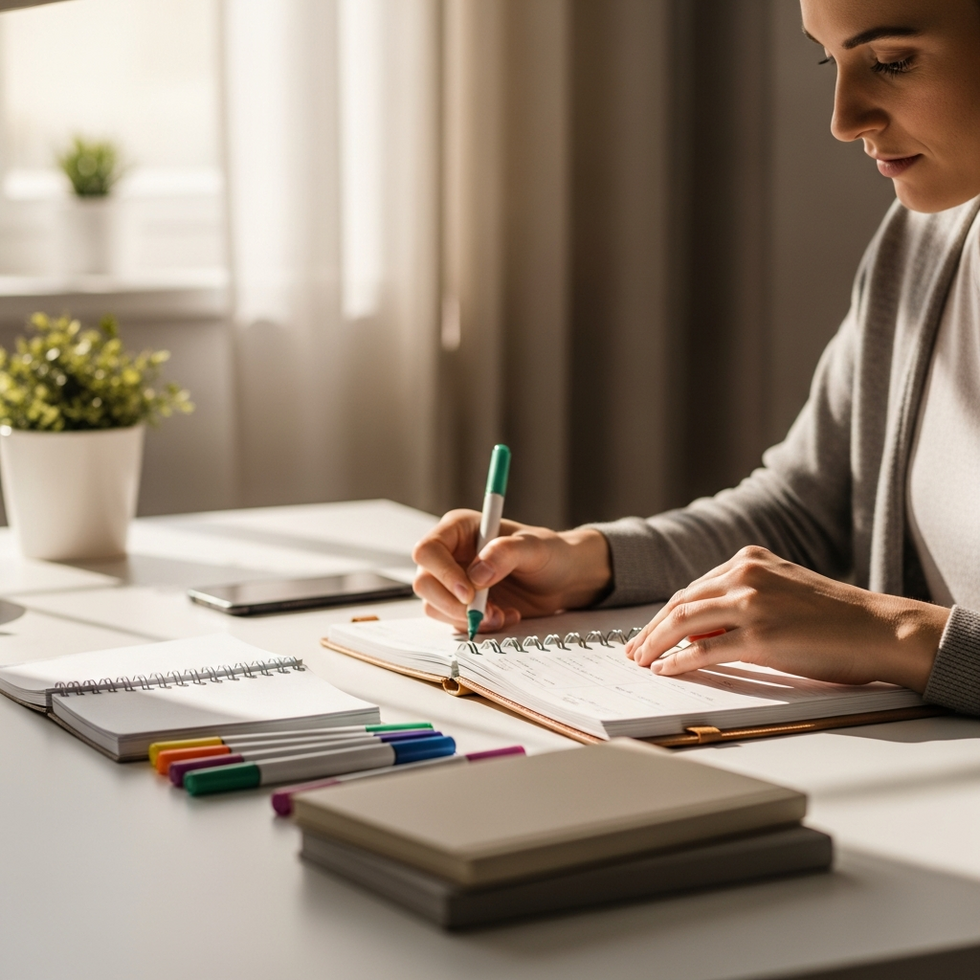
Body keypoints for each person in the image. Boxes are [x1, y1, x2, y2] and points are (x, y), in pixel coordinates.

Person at [412, 0, 980, 717]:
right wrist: (589, 565)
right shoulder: (925, 242)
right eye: (828, 60)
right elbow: (805, 510)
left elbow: (878, 619)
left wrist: (902, 637)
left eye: (891, 62)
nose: (843, 119)